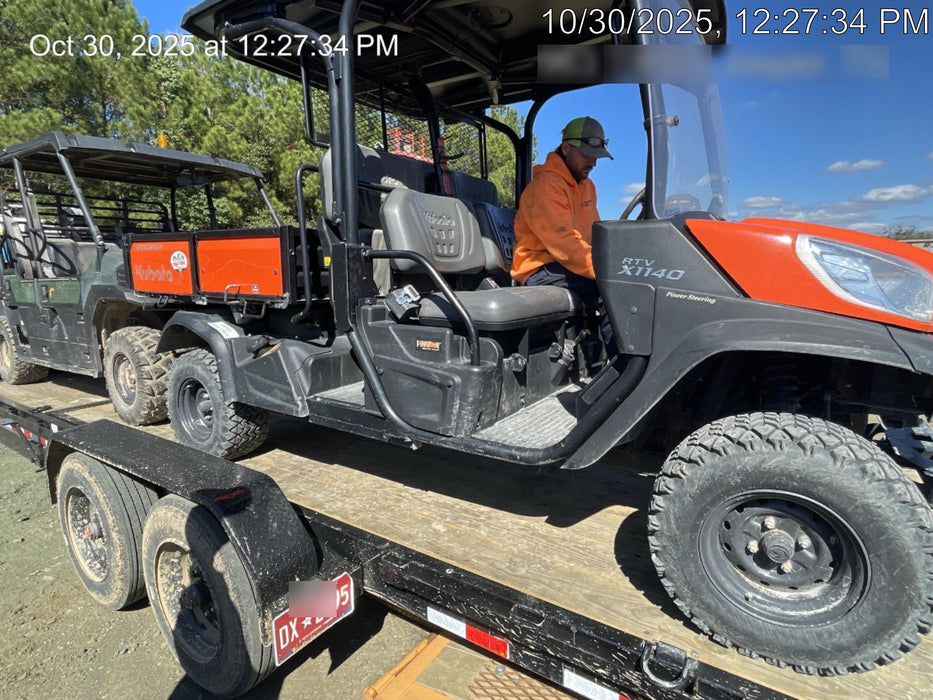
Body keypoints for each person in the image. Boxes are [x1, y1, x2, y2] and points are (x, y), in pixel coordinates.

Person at [510, 116, 618, 357]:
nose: (593, 162)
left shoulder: (587, 186)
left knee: (627, 283)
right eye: (587, 154)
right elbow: (565, 245)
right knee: (614, 290)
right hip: (540, 268)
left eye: (596, 156)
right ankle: (623, 371)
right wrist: (608, 269)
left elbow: (594, 234)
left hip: (569, 265)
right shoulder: (546, 186)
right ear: (566, 147)